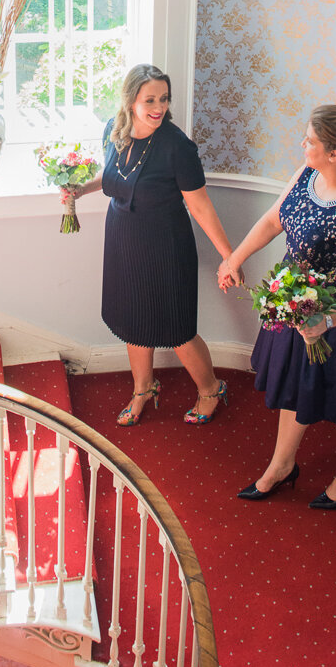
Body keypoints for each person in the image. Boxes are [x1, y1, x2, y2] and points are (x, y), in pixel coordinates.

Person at [217, 105, 336, 509]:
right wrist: (234, 259)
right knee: (293, 387)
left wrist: (324, 320)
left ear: (335, 154)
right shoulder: (308, 174)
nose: (302, 145)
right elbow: (274, 220)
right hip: (296, 307)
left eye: (310, 141)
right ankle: (281, 466)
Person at [64, 63, 239, 427]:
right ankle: (144, 388)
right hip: (123, 240)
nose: (158, 107)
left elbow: (200, 205)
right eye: (150, 99)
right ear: (130, 101)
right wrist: (79, 190)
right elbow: (112, 176)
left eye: (164, 98)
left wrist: (229, 255)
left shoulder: (178, 147)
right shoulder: (112, 132)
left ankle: (211, 388)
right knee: (132, 318)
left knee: (176, 328)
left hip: (166, 247)